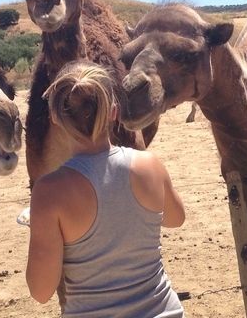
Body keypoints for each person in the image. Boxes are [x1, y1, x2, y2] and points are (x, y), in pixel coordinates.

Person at [26, 61, 186, 317]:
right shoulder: (150, 165)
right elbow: (176, 218)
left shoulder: (49, 192)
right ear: (113, 111)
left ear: (55, 116)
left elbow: (41, 291)